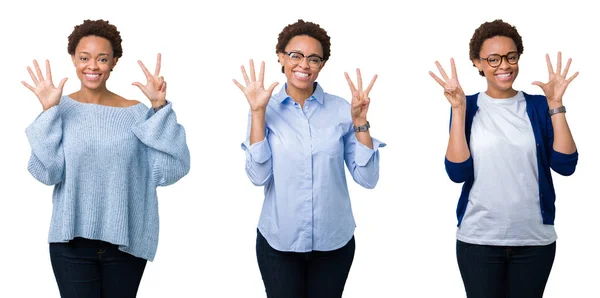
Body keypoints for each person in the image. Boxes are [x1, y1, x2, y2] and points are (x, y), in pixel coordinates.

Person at [23, 19, 190, 298]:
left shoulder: (136, 113)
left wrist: (159, 108)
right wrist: (48, 111)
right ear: (73, 60)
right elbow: (48, 173)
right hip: (70, 243)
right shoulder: (60, 109)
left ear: (114, 62)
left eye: (102, 58)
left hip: (125, 243)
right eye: (84, 58)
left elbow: (174, 167)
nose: (92, 66)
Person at [233, 19, 385, 298]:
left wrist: (361, 122)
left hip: (333, 243)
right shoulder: (265, 109)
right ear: (281, 57)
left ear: (322, 65)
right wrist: (257, 113)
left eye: (314, 59)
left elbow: (367, 178)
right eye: (296, 55)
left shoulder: (342, 110)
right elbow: (258, 176)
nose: (304, 65)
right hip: (279, 243)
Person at [429, 19, 579, 298]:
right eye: (493, 59)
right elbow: (457, 172)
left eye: (511, 57)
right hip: (479, 239)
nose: (504, 66)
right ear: (477, 62)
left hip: (534, 239)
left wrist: (556, 106)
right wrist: (458, 110)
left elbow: (565, 165)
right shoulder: (468, 106)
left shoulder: (537, 105)